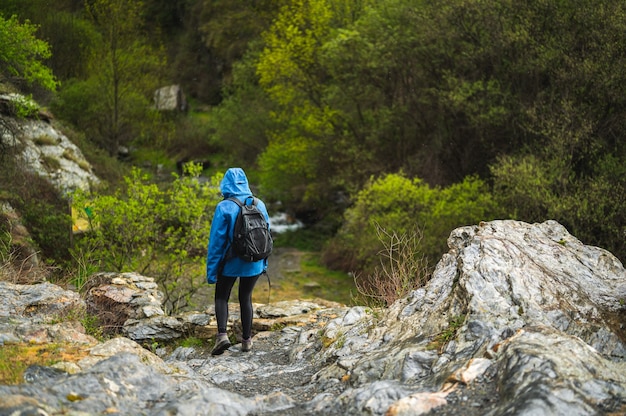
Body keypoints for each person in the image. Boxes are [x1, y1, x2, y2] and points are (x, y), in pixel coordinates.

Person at [206, 167, 270, 355]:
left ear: (225, 184)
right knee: (245, 297)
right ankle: (247, 341)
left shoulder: (224, 207)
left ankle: (222, 337)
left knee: (221, 296)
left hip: (231, 262)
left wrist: (212, 272)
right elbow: (267, 237)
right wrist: (263, 263)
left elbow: (216, 244)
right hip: (254, 262)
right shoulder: (260, 204)